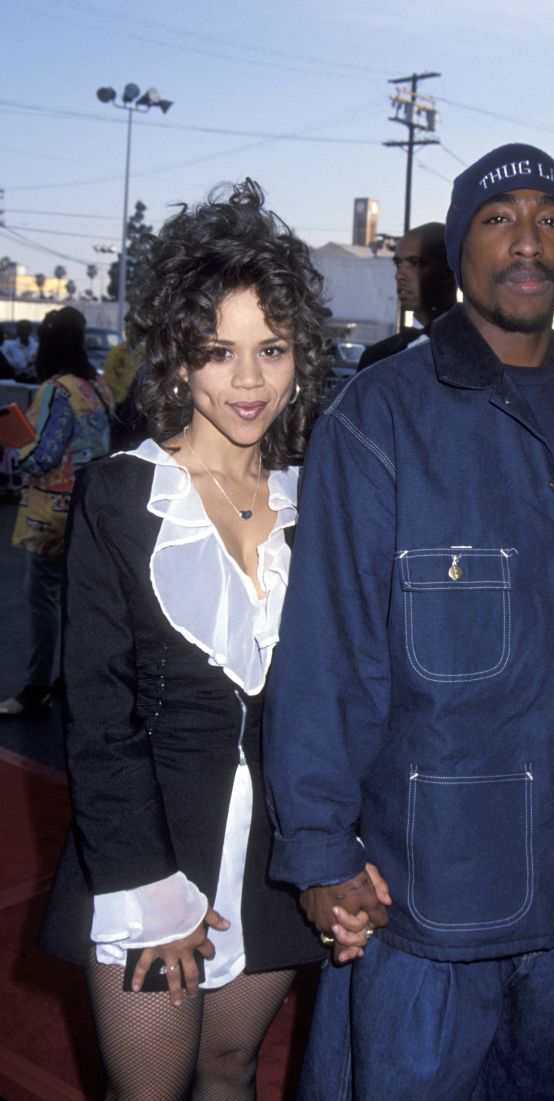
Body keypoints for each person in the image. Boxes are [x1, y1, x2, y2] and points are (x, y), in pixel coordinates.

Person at [263, 143, 554, 1100]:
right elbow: (327, 656)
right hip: (423, 900)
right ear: (459, 248)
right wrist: (321, 851)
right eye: (501, 219)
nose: (528, 242)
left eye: (552, 219)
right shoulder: (380, 418)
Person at [38, 181, 336, 1100]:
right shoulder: (123, 495)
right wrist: (147, 887)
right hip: (147, 849)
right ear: (176, 357)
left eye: (271, 349)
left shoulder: (315, 498)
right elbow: (96, 713)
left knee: (230, 1070)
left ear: (302, 355)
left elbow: (341, 693)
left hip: (274, 860)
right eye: (219, 351)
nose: (249, 382)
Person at [0, 307, 112, 716]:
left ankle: (36, 686)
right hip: (89, 507)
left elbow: (43, 455)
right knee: (75, 599)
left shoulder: (55, 389)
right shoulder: (95, 384)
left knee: (42, 597)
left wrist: (11, 448)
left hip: (51, 512)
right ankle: (70, 677)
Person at [357, 221, 457, 369]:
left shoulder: (484, 349)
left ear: (449, 270)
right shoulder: (376, 357)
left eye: (415, 263)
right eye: (398, 264)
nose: (399, 275)